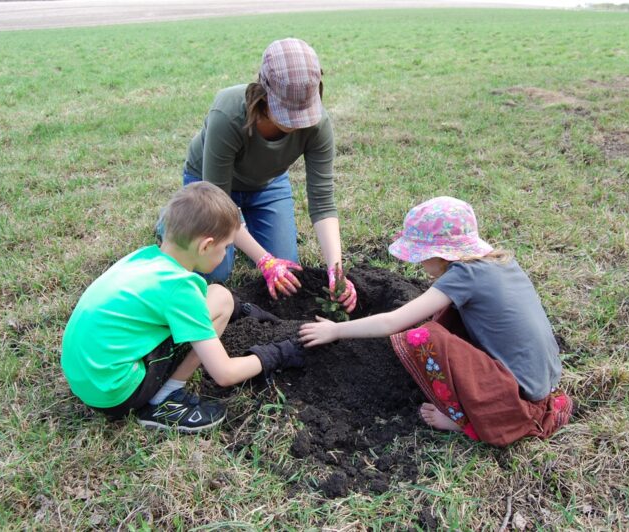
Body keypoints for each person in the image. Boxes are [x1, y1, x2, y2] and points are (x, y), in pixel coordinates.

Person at [299, 197, 573, 447]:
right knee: (446, 313)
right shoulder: (498, 263)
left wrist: (335, 329)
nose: (419, 264)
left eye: (420, 256)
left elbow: (392, 322)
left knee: (421, 337)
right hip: (543, 381)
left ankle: (465, 418)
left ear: (438, 253)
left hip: (517, 395)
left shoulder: (463, 275)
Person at [62, 182, 305, 433]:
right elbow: (225, 373)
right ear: (205, 246)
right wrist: (281, 352)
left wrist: (240, 309)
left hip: (86, 376)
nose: (226, 254)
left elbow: (205, 298)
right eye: (226, 247)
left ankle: (233, 312)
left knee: (220, 297)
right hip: (115, 392)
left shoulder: (146, 258)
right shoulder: (180, 289)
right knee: (218, 304)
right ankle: (165, 402)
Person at [178, 37, 356, 313]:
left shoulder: (318, 124)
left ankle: (241, 233)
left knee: (286, 266)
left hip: (265, 186)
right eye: (287, 112)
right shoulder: (227, 113)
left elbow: (322, 201)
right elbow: (217, 203)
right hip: (209, 189)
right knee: (215, 272)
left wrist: (336, 269)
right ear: (265, 92)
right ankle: (175, 222)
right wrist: (263, 260)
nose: (295, 123)